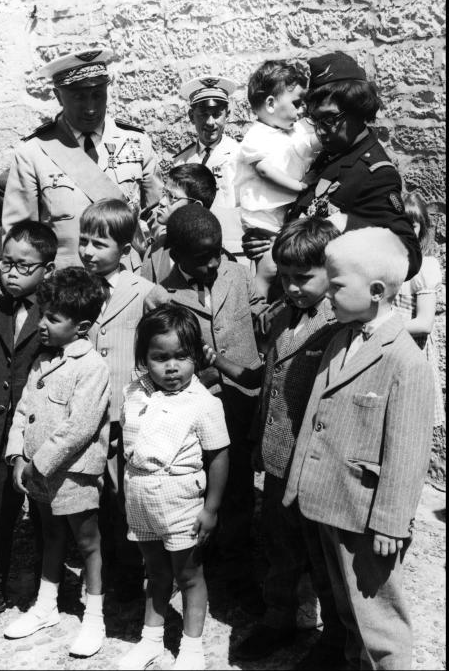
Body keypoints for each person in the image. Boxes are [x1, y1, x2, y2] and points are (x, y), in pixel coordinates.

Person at [283, 228, 435, 670]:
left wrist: (390, 522)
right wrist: (297, 485)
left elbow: (407, 452)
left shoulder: (405, 362)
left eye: (335, 285)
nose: (327, 294)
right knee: (346, 610)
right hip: (324, 501)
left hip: (366, 516)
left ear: (374, 292)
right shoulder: (339, 338)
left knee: (378, 620)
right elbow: (316, 414)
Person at [203, 218, 347, 667]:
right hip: (278, 455)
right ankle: (278, 618)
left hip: (315, 464)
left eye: (303, 278)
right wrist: (217, 362)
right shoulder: (284, 313)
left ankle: (336, 638)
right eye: (284, 277)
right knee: (281, 548)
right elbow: (264, 376)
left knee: (323, 558)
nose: (291, 286)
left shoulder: (339, 324)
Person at [145, 205, 266, 612]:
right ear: (175, 254)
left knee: (239, 493)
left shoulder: (236, 272)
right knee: (199, 490)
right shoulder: (162, 294)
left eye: (217, 252)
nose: (213, 262)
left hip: (241, 404)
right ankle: (196, 570)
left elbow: (260, 318)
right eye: (201, 257)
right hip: (196, 411)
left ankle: (239, 575)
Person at [2, 267, 111, 659]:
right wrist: (18, 455)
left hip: (74, 475)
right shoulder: (42, 361)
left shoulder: (92, 367)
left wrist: (39, 462)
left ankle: (95, 616)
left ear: (81, 327)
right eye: (42, 314)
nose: (42, 324)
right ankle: (46, 605)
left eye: (53, 318)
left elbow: (79, 427)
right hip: (37, 472)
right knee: (48, 535)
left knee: (87, 543)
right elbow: (24, 409)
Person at [115, 305, 230, 671]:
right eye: (160, 358)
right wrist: (123, 493)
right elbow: (126, 447)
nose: (171, 366)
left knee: (189, 575)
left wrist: (210, 509)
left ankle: (192, 648)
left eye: (181, 356)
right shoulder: (133, 393)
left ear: (195, 356)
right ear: (144, 359)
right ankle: (151, 640)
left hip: (181, 498)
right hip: (140, 496)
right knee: (156, 572)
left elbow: (219, 457)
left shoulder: (204, 403)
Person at [0, 220, 58, 615]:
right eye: (6, 263)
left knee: (42, 510)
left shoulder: (55, 316)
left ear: (46, 270)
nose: (12, 272)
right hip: (0, 433)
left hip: (37, 434)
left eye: (24, 266)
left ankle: (45, 578)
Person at [1, 47, 163, 268]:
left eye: (98, 95)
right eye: (79, 97)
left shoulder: (137, 142)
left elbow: (158, 215)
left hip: (128, 281)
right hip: (65, 283)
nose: (91, 108)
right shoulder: (34, 152)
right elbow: (20, 236)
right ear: (58, 96)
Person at [78, 198, 166, 602]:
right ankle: (101, 568)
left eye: (99, 244)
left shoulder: (147, 293)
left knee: (127, 496)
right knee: (90, 493)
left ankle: (133, 574)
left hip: (125, 414)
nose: (88, 252)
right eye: (84, 242)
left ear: (126, 251)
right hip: (84, 413)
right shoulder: (74, 287)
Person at [279, 50, 422, 281]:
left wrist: (347, 224)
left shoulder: (375, 173)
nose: (321, 130)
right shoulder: (331, 155)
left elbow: (409, 256)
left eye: (330, 119)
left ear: (358, 109)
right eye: (316, 120)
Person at [235, 60, 321, 301]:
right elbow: (265, 171)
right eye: (296, 103)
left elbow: (307, 145)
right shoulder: (256, 136)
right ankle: (255, 305)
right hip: (263, 214)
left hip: (284, 212)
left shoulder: (293, 131)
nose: (301, 110)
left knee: (286, 262)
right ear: (271, 104)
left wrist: (321, 137)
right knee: (269, 266)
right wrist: (300, 188)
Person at [170, 75, 245, 258]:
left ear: (227, 114)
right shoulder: (182, 161)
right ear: (191, 116)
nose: (210, 122)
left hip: (230, 249)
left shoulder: (240, 156)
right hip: (191, 252)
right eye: (203, 114)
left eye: (217, 114)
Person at [392, 192, 445, 429]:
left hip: (411, 352)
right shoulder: (385, 263)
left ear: (421, 228)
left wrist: (380, 327)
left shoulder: (424, 267)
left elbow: (424, 323)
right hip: (385, 352)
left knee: (407, 423)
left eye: (410, 224)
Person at [140, 163, 219, 284]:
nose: (161, 202)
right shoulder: (154, 251)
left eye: (172, 197)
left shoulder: (217, 257)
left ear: (195, 207)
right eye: (164, 193)